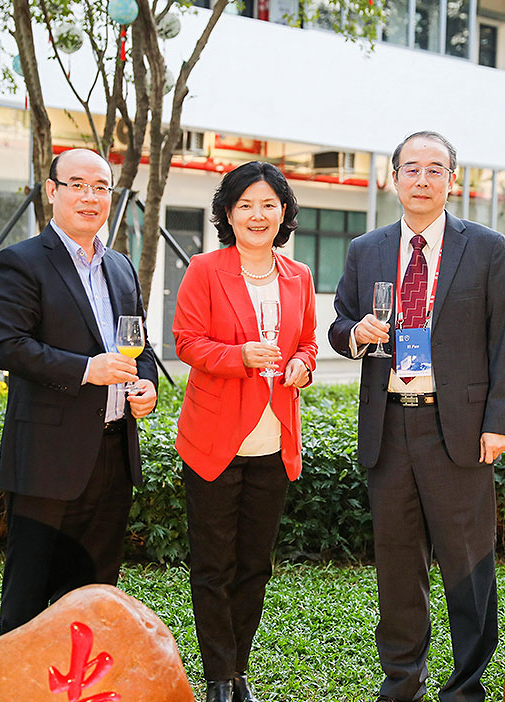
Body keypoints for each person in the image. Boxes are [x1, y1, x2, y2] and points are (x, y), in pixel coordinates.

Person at [328, 131, 505, 702]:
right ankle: (401, 685)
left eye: (434, 169)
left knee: (468, 566)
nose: (421, 179)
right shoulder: (366, 249)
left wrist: (498, 421)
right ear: (392, 178)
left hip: (458, 431)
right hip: (388, 428)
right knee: (396, 566)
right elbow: (338, 324)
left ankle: (465, 687)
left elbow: (503, 343)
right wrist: (355, 334)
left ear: (451, 181)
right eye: (410, 168)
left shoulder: (485, 247)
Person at [0, 148, 159, 634]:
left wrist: (145, 386)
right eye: (77, 185)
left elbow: (136, 347)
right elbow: (7, 346)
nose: (90, 197)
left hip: (113, 455)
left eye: (100, 187)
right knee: (30, 596)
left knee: (95, 594)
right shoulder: (20, 263)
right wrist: (86, 369)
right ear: (52, 191)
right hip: (46, 458)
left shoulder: (121, 267)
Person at [172, 161, 318, 702]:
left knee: (255, 565)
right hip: (213, 440)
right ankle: (217, 677)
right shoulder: (205, 270)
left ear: (284, 212)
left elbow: (306, 342)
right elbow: (187, 342)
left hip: (273, 442)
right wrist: (240, 355)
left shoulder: (298, 276)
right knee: (214, 565)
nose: (258, 215)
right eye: (245, 206)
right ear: (228, 214)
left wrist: (303, 365)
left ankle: (239, 670)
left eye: (269, 204)